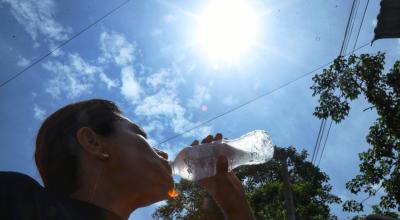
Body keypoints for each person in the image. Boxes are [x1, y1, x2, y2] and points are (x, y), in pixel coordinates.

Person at [0, 99, 255, 220]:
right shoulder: (18, 199)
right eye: (141, 135)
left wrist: (235, 206)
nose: (164, 154)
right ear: (93, 143)